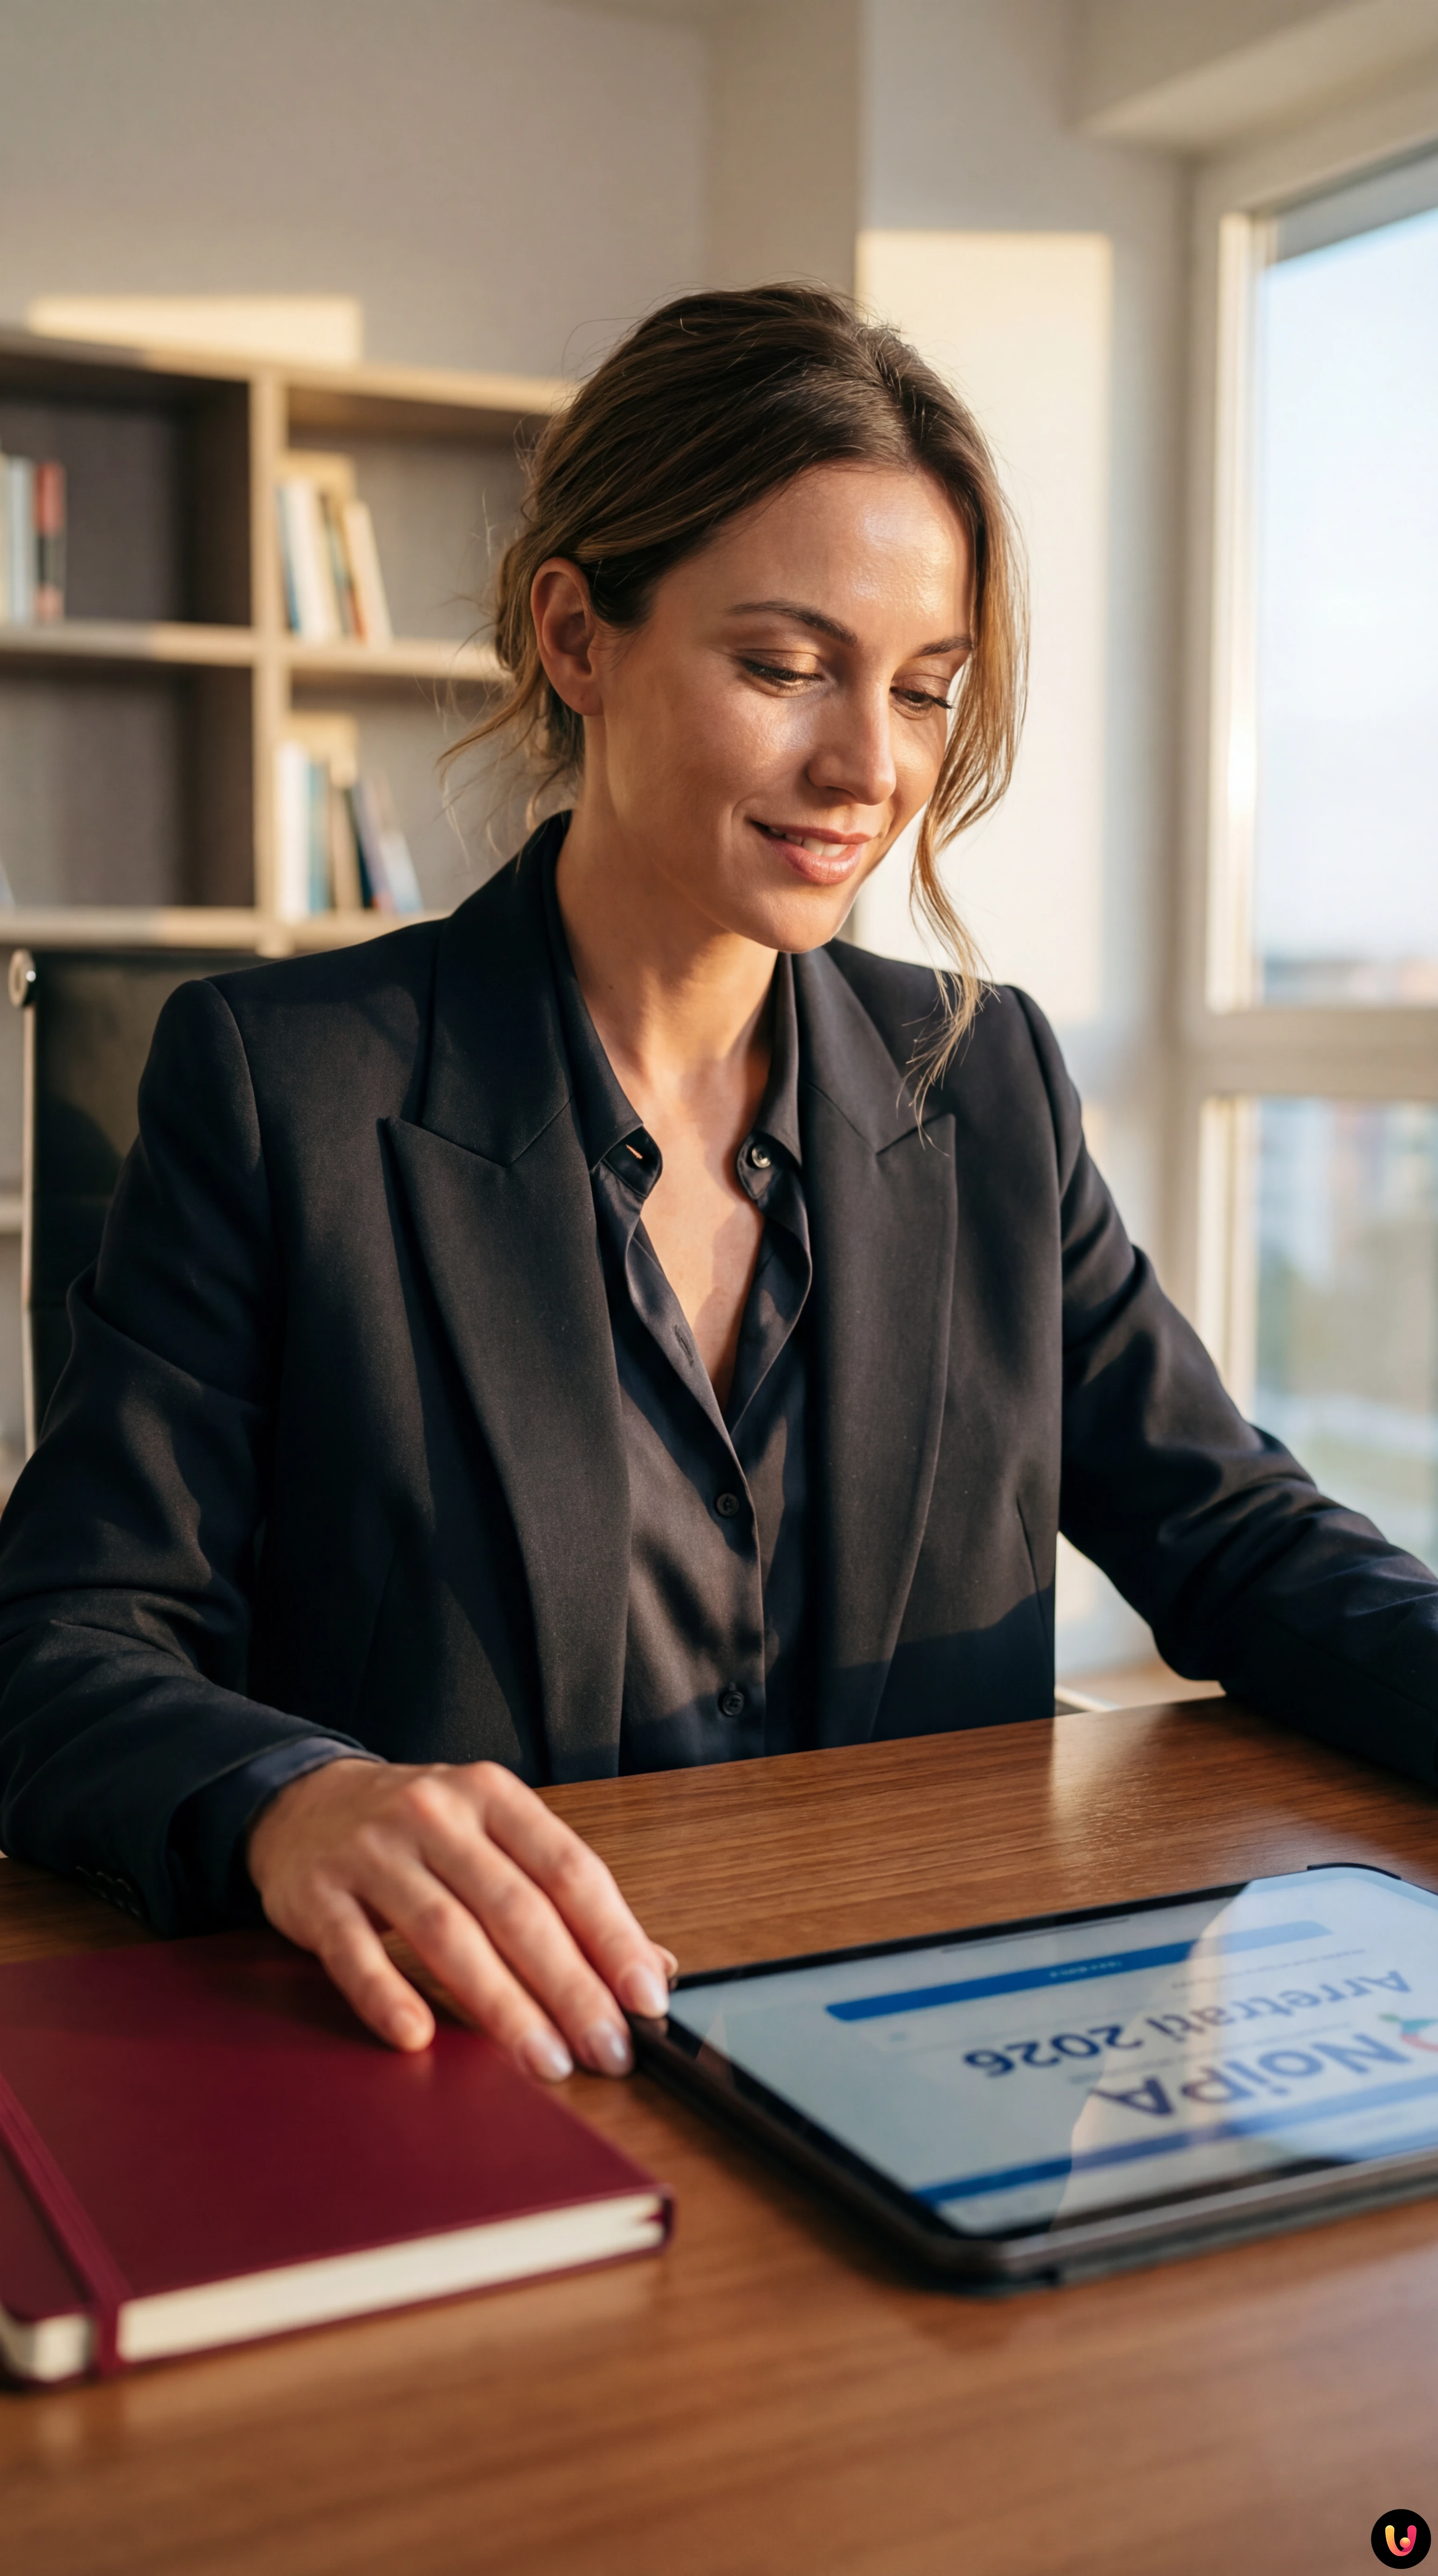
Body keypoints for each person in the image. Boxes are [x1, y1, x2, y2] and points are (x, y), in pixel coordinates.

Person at [0, 285, 1434, 2088]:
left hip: (928, 2049)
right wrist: (298, 1798)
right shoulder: (287, 1086)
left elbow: (1232, 1538)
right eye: (783, 668)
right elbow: (61, 1642)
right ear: (577, 635)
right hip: (487, 2062)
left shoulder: (982, 1081)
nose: (870, 769)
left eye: (925, 693)